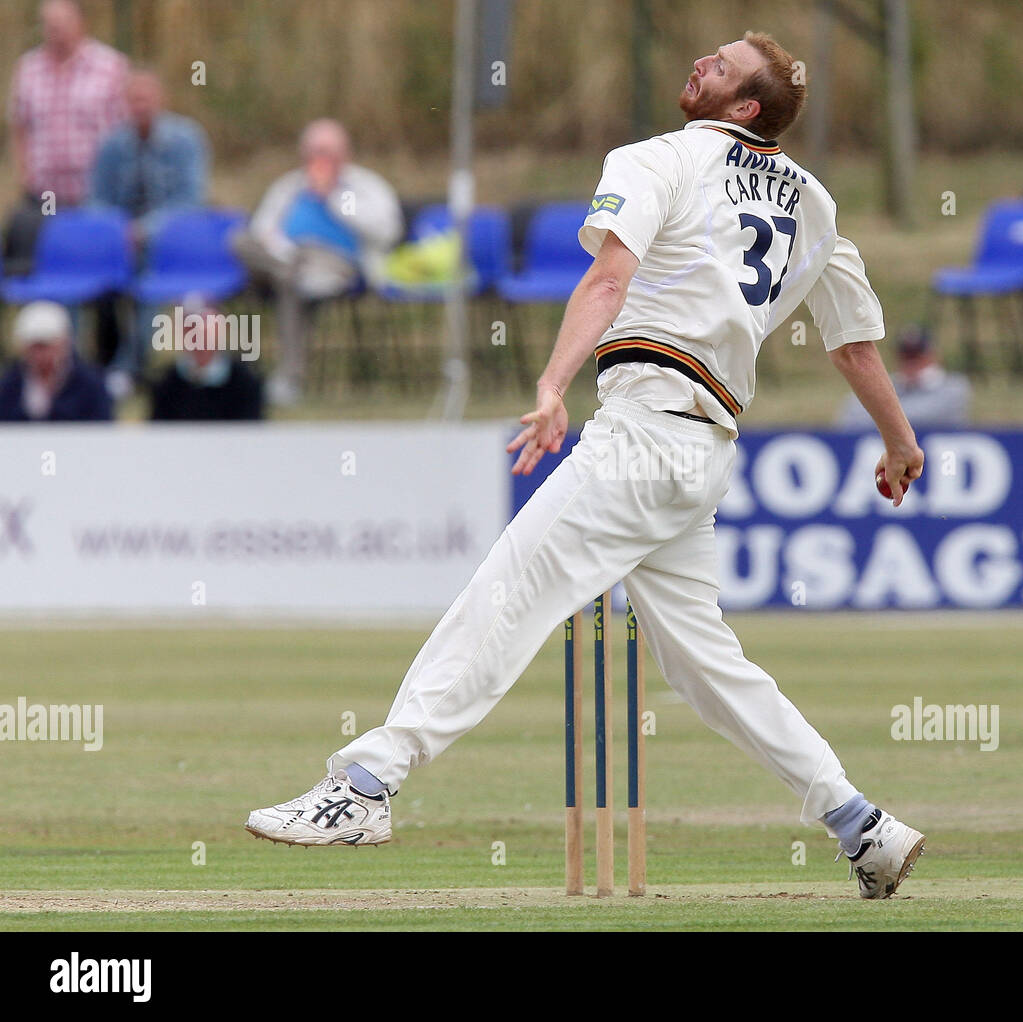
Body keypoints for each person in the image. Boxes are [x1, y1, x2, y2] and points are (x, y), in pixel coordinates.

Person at [247, 33, 928, 900]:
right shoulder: (817, 204)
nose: (699, 65)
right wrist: (900, 442)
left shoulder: (660, 158)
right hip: (705, 451)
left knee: (507, 591)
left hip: (642, 432)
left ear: (747, 106)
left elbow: (609, 279)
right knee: (707, 668)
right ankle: (862, 825)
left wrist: (551, 382)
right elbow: (855, 345)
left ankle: (365, 785)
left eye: (720, 67)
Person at [233, 119, 403, 405]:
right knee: (239, 241)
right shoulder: (289, 186)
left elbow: (387, 231)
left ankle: (289, 380)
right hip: (284, 256)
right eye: (314, 153)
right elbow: (261, 228)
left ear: (344, 155)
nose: (320, 160)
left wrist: (332, 197)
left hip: (334, 262)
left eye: (327, 153)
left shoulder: (362, 186)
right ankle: (288, 272)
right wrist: (276, 243)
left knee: (291, 279)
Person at [91, 68, 211, 395]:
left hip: (172, 243)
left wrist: (145, 231)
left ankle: (128, 367)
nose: (140, 106)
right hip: (119, 244)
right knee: (77, 280)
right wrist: (117, 232)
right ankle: (82, 371)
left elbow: (191, 200)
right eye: (133, 100)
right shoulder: (112, 145)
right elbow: (97, 199)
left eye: (146, 98)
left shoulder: (186, 139)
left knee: (149, 275)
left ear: (161, 100)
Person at [4, 0, 127, 272]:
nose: (54, 32)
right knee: (37, 267)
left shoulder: (111, 66)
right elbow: (19, 125)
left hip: (94, 194)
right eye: (48, 26)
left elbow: (124, 131)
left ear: (81, 23)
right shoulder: (28, 68)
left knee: (97, 270)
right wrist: (23, 174)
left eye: (61, 25)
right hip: (43, 196)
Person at [149, 299, 263, 421]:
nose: (198, 338)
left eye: (205, 329)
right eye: (191, 329)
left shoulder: (245, 382)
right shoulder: (166, 384)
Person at [0, 301, 112, 422]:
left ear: (64, 344)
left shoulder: (91, 385)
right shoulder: (10, 385)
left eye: (45, 346)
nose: (40, 355)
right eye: (34, 347)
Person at [838, 325, 969, 429]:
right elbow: (852, 412)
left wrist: (880, 415)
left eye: (917, 357)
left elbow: (928, 416)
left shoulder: (953, 386)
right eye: (906, 357)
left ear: (932, 355)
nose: (911, 363)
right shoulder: (889, 385)